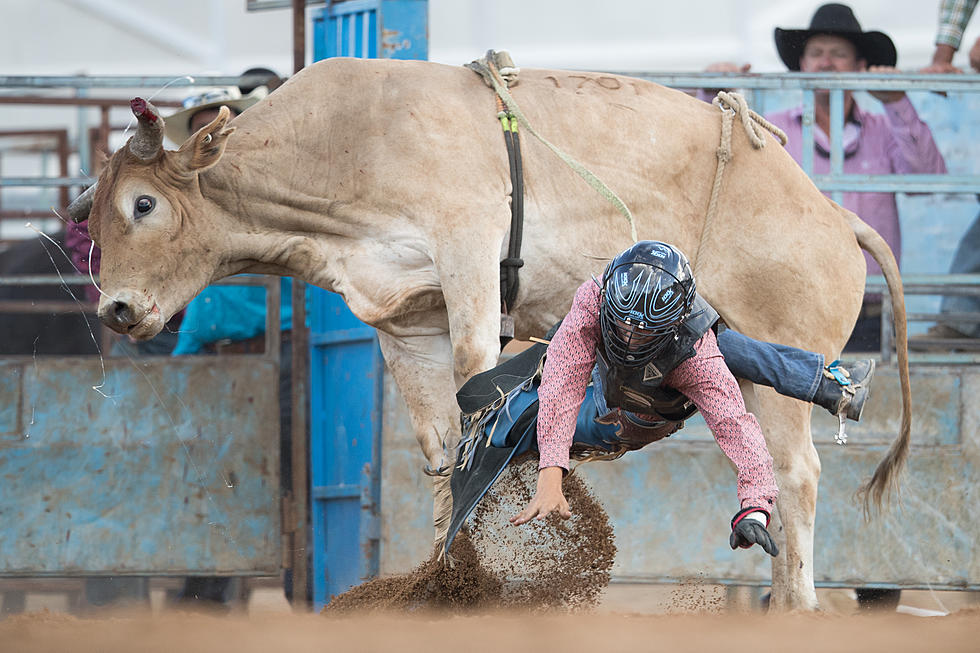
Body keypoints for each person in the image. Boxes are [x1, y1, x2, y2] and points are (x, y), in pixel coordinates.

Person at [446, 240, 876, 560]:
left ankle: (828, 382)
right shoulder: (593, 298)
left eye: (644, 330)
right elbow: (562, 383)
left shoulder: (697, 352)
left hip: (637, 413)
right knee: (513, 413)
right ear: (608, 297)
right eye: (623, 324)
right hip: (597, 378)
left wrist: (756, 509)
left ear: (674, 324)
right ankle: (831, 383)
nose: (630, 336)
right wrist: (550, 475)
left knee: (729, 349)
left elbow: (736, 426)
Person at [703, 3, 948, 351]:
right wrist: (708, 91)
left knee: (866, 394)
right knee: (790, 395)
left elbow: (928, 177)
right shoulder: (773, 127)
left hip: (866, 300)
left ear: (861, 66)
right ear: (802, 65)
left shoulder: (883, 129)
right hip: (789, 295)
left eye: (839, 54)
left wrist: (896, 100)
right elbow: (717, 159)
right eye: (816, 53)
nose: (826, 62)